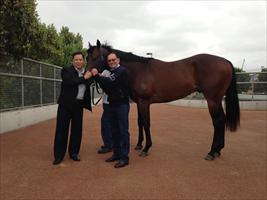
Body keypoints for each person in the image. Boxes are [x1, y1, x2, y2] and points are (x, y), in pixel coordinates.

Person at [91, 52, 131, 168]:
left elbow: (109, 82)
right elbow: (106, 85)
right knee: (114, 131)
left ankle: (124, 157)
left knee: (123, 131)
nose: (112, 62)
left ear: (118, 60)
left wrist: (96, 75)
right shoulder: (111, 72)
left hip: (122, 105)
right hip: (112, 104)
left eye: (113, 60)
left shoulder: (121, 71)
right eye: (109, 61)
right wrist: (99, 78)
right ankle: (117, 154)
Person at [53, 51, 93, 165]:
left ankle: (74, 153)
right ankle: (58, 155)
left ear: (83, 61)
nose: (79, 61)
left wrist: (94, 73)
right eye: (76, 59)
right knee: (61, 130)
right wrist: (85, 78)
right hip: (65, 105)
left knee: (77, 130)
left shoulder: (87, 72)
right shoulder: (66, 70)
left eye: (81, 59)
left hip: (78, 105)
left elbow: (91, 81)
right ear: (72, 61)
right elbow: (70, 82)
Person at [97, 69, 113, 154]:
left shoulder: (119, 71)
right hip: (106, 101)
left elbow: (106, 84)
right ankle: (110, 144)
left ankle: (109, 145)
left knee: (106, 123)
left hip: (110, 102)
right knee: (107, 123)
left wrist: (99, 77)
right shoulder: (106, 71)